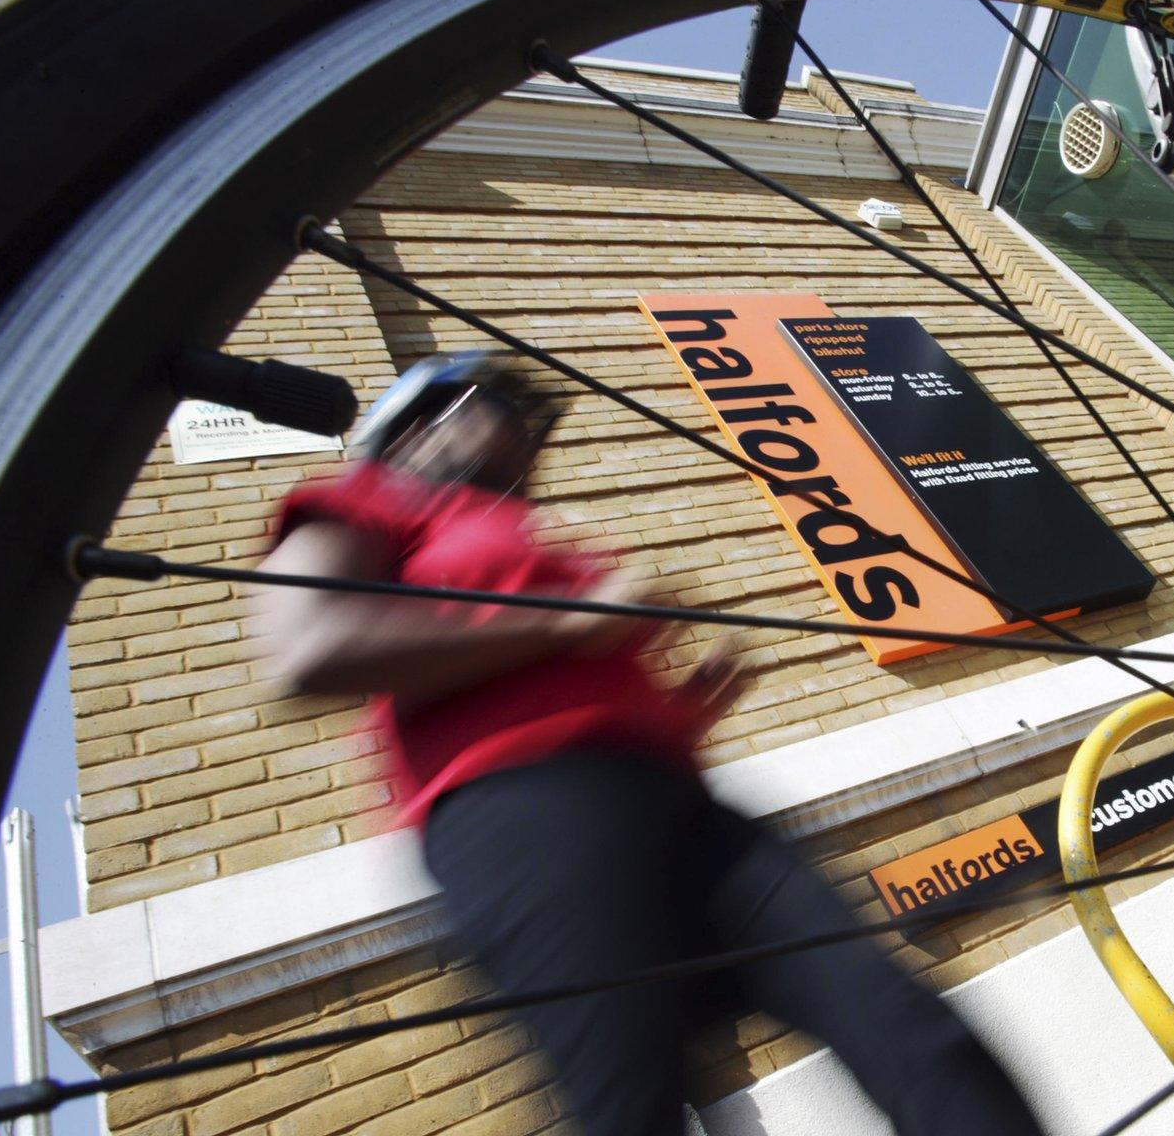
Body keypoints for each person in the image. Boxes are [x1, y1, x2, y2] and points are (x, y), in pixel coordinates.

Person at [257, 352, 1045, 1135]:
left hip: (677, 809)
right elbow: (309, 648)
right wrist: (571, 622)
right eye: (500, 404)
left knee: (902, 1021)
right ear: (416, 429)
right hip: (522, 823)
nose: (531, 438)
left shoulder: (529, 533)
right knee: (633, 1109)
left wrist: (680, 714)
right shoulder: (369, 498)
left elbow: (569, 692)